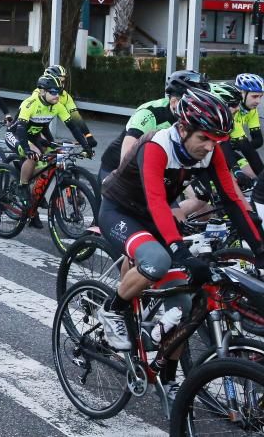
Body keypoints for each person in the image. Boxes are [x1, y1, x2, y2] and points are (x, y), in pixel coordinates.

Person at [97, 88, 264, 397]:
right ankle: (112, 308)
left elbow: (231, 199)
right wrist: (180, 251)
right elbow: (158, 203)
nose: (211, 146)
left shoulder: (210, 150)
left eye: (217, 140)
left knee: (187, 304)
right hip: (121, 210)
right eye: (204, 138)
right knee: (157, 261)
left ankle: (169, 379)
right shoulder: (158, 145)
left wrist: (259, 248)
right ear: (183, 128)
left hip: (154, 216)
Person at [6, 73, 93, 226]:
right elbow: (20, 129)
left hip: (34, 136)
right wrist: (27, 150)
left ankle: (33, 205)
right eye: (53, 92)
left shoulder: (58, 106)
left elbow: (73, 127)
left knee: (50, 163)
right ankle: (22, 185)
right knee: (35, 156)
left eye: (59, 92)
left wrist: (86, 146)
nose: (57, 95)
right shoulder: (30, 103)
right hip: (16, 135)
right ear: (42, 91)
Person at [98, 70, 204, 182]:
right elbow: (128, 148)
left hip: (154, 165)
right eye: (192, 104)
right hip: (117, 165)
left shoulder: (190, 119)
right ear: (174, 102)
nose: (196, 109)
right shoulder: (150, 113)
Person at [231, 73, 264, 178]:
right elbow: (248, 150)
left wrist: (237, 145)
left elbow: (258, 140)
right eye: (254, 96)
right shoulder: (231, 110)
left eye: (260, 97)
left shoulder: (252, 110)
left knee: (253, 175)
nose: (258, 101)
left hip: (228, 150)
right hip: (210, 152)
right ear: (242, 92)